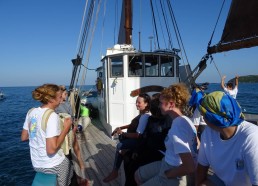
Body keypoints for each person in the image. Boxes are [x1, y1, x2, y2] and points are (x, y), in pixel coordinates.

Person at [135, 83, 198, 186]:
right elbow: (197, 144)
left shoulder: (178, 128)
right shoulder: (187, 120)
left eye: (161, 103)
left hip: (172, 170)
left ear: (171, 104)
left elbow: (189, 167)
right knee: (137, 175)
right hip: (166, 162)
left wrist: (168, 175)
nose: (158, 106)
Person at [196, 91, 258, 186]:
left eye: (204, 114)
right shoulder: (208, 133)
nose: (202, 118)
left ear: (212, 118)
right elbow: (202, 166)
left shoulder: (251, 137)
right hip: (222, 180)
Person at [21, 84, 73, 186]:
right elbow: (51, 150)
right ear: (51, 100)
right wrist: (66, 128)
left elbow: (24, 137)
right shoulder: (52, 116)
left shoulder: (31, 112)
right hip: (52, 165)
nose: (62, 99)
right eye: (59, 97)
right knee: (70, 166)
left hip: (36, 164)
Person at [123, 95, 172, 186]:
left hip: (159, 153)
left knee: (134, 166)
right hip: (148, 149)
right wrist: (137, 151)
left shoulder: (168, 121)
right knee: (127, 157)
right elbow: (144, 136)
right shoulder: (151, 119)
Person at [103, 93, 151, 183]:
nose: (136, 104)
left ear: (146, 103)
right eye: (136, 102)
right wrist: (121, 128)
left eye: (139, 102)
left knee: (119, 146)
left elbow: (138, 135)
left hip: (139, 142)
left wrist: (123, 133)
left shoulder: (145, 116)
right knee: (121, 141)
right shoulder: (143, 114)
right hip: (137, 139)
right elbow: (132, 125)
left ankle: (115, 171)